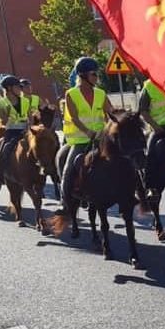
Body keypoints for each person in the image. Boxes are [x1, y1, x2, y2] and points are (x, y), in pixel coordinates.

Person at [55, 57, 113, 214]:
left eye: (96, 74)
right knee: (67, 169)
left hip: (101, 139)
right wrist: (88, 132)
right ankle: (65, 202)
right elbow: (74, 117)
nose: (96, 77)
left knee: (125, 157)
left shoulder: (100, 93)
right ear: (83, 75)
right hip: (80, 140)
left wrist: (113, 126)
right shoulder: (71, 94)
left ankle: (133, 193)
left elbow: (111, 113)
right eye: (93, 74)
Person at [0, 75, 32, 190]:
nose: (20, 89)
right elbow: (3, 121)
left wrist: (29, 127)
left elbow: (30, 117)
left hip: (26, 132)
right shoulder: (1, 103)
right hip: (11, 132)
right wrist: (7, 115)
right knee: (4, 151)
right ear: (9, 88)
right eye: (18, 87)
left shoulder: (25, 101)